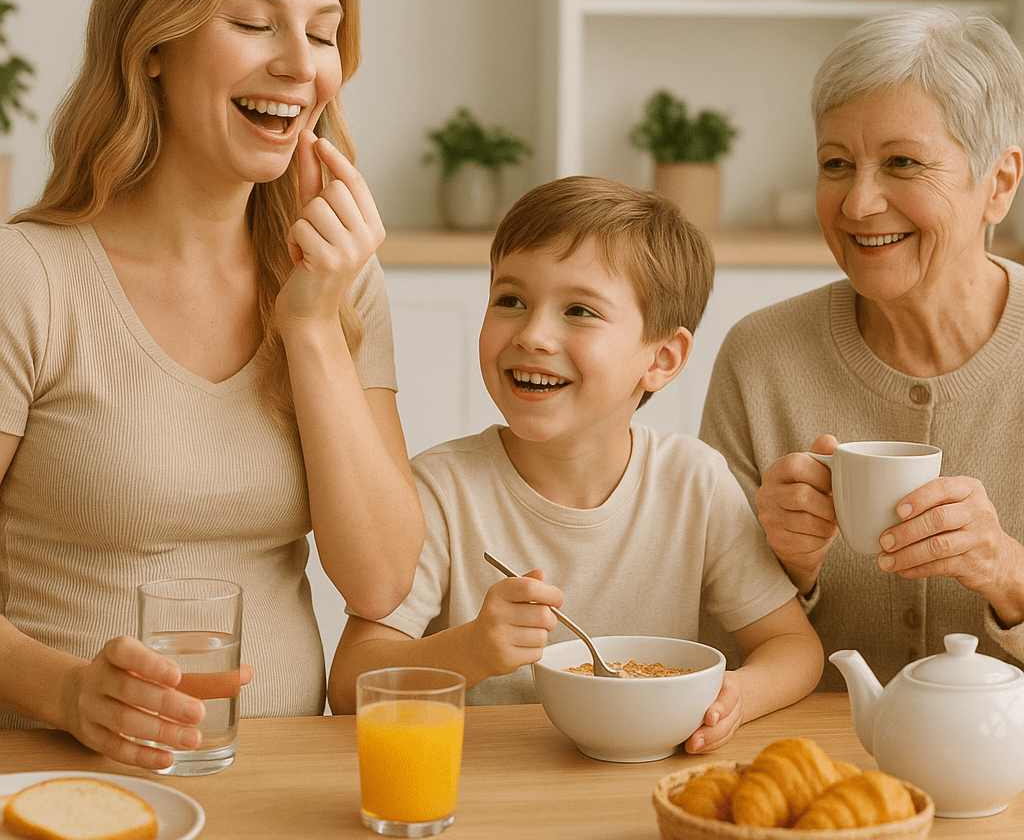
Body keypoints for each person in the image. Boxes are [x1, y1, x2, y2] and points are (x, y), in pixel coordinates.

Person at [0, 0, 424, 766]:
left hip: (282, 778)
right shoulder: (27, 277)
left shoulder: (339, 276)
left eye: (322, 33)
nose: (300, 66)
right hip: (65, 777)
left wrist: (311, 326)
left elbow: (381, 578)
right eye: (253, 22)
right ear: (153, 43)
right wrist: (70, 691)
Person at [329, 176, 822, 753]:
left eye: (579, 310)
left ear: (662, 359)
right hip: (479, 789)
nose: (533, 334)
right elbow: (349, 684)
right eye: (510, 300)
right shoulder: (441, 490)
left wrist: (737, 694)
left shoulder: (695, 484)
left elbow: (793, 647)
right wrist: (470, 651)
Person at [699, 7, 1024, 691]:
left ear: (998, 184)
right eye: (836, 164)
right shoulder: (759, 357)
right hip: (812, 773)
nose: (858, 203)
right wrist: (787, 568)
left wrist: (1005, 571)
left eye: (902, 162)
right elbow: (704, 655)